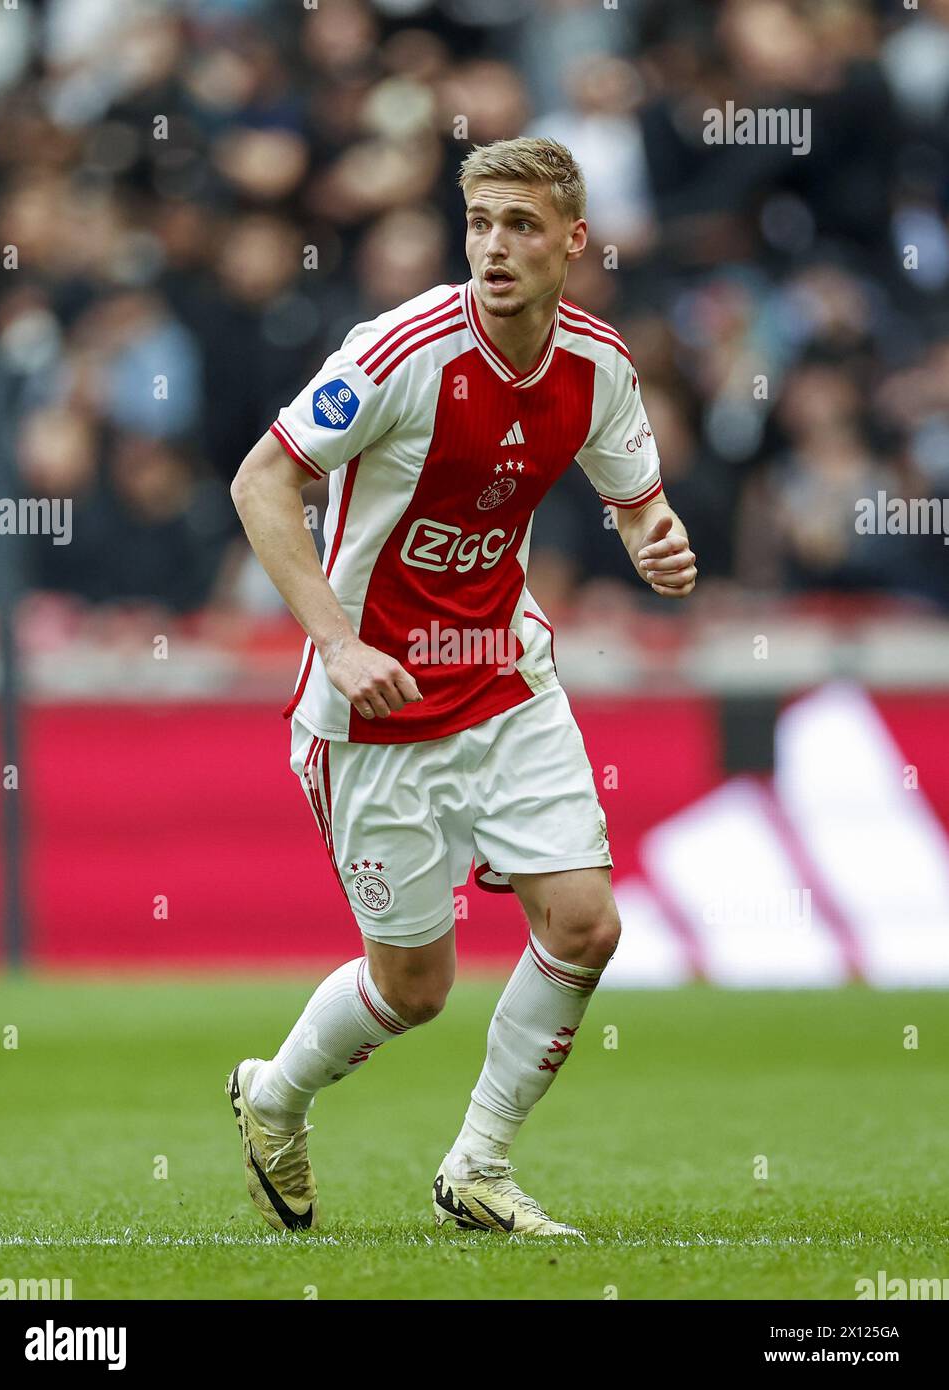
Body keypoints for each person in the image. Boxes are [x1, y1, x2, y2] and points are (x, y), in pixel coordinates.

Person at [227, 137, 696, 1237]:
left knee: (583, 925)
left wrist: (655, 540)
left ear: (572, 242)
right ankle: (274, 1095)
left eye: (521, 225)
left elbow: (637, 501)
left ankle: (477, 1163)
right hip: (372, 709)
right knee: (413, 988)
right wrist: (337, 644)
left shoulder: (597, 365)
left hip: (502, 679)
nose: (493, 246)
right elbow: (262, 481)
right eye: (480, 222)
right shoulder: (397, 352)